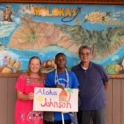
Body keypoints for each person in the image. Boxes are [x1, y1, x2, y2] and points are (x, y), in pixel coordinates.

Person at [71, 45, 110, 124]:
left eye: (87, 53)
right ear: (79, 55)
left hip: (98, 105)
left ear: (91, 55)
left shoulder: (99, 68)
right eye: (82, 54)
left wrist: (98, 93)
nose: (85, 56)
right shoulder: (74, 70)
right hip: (82, 106)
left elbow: (106, 82)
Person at [44, 53, 79, 124]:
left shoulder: (71, 74)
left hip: (69, 115)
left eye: (63, 59)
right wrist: (55, 87)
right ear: (55, 62)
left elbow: (76, 91)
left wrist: (67, 91)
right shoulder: (50, 75)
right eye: (59, 60)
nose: (61, 61)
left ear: (66, 61)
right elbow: (45, 92)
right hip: (54, 116)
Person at [14, 56, 45, 124]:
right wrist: (27, 97)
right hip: (24, 112)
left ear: (40, 66)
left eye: (37, 64)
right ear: (29, 65)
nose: (35, 66)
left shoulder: (42, 79)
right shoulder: (23, 78)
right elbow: (19, 95)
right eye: (32, 64)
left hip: (37, 113)